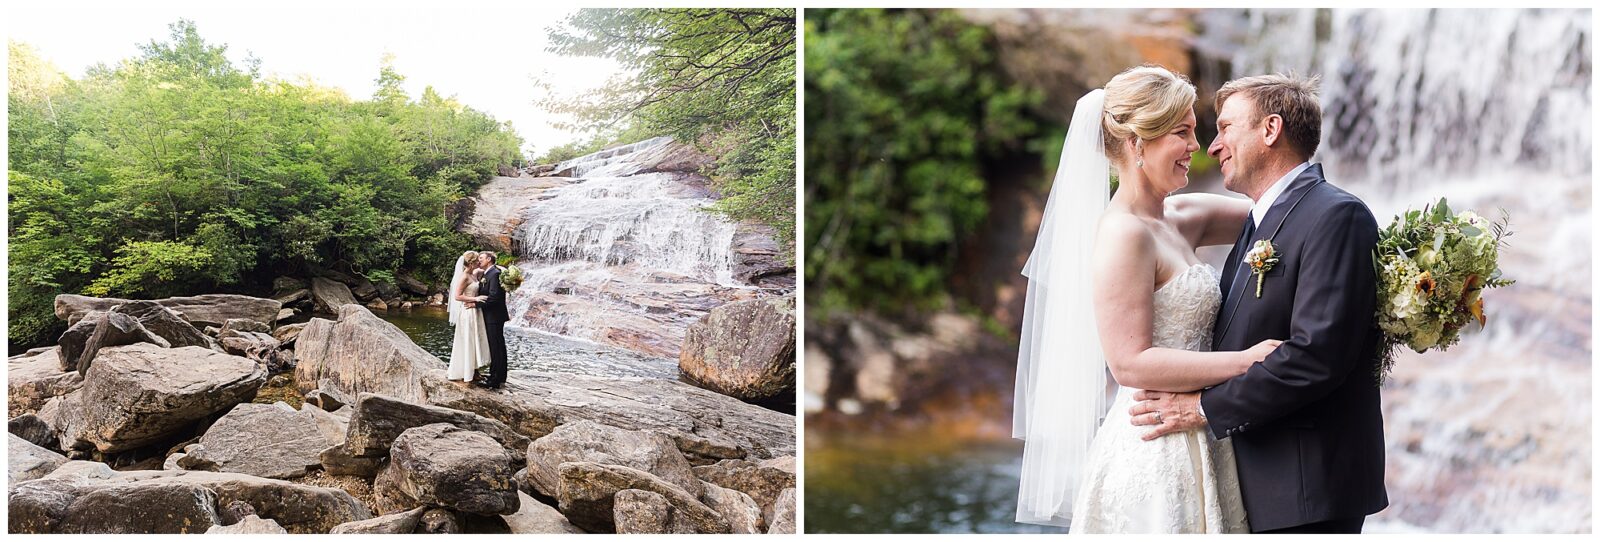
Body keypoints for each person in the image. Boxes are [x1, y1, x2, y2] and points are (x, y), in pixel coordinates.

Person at [1013, 65, 1281, 533]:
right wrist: (1246, 362)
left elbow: (1292, 216)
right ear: (1138, 144)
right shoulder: (1123, 235)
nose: (1197, 148)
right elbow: (1130, 364)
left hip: (1204, 433)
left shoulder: (1185, 216)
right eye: (1182, 133)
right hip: (1155, 445)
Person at [1128, 73, 1389, 534]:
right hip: (1260, 478)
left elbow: (1316, 356)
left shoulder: (1335, 216)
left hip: (1305, 485)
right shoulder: (1261, 219)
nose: (1212, 146)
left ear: (1270, 130)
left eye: (1225, 128)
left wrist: (1201, 409)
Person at [446, 250, 491, 383]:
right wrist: (476, 299)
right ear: (471, 263)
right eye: (477, 260)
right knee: (468, 340)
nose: (479, 262)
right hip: (467, 312)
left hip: (475, 312)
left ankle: (475, 370)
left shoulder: (474, 273)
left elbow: (490, 270)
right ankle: (468, 372)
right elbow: (457, 296)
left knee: (475, 339)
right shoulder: (464, 276)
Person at [474, 251, 511, 389]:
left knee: (496, 347)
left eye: (481, 258)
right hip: (493, 315)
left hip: (494, 316)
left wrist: (475, 304)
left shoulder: (494, 273)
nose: (479, 260)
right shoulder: (488, 273)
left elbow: (494, 297)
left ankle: (494, 380)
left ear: (489, 259)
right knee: (497, 346)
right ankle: (499, 376)